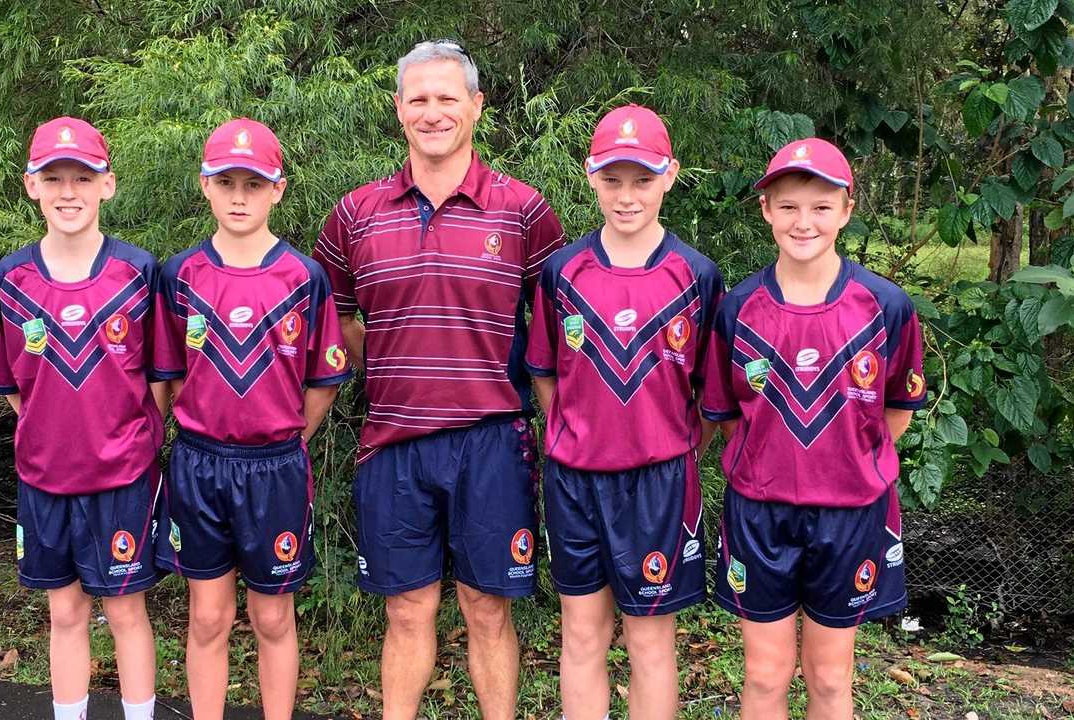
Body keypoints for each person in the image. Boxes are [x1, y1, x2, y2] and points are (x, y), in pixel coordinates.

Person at [311, 39, 564, 719]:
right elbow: (330, 308)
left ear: (476, 106)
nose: (432, 112)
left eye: (447, 97)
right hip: (393, 442)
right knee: (407, 610)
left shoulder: (524, 211)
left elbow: (560, 315)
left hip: (492, 441)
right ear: (398, 109)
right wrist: (382, 359)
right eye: (418, 99)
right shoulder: (355, 213)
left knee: (486, 610)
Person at [701, 138, 927, 720]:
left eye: (821, 207)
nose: (805, 222)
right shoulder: (738, 308)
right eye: (790, 206)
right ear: (766, 210)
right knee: (764, 675)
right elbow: (730, 419)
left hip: (850, 514)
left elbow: (895, 409)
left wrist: (843, 462)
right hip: (760, 515)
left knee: (830, 679)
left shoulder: (887, 305)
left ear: (847, 210)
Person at [525, 104, 723, 720]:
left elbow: (711, 400)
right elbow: (547, 377)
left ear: (670, 175)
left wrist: (662, 445)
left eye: (642, 179)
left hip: (658, 483)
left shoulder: (697, 275)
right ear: (590, 176)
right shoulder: (562, 272)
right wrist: (584, 438)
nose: (627, 195)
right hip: (576, 480)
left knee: (648, 639)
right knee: (582, 633)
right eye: (613, 179)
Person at [151, 118, 351, 720]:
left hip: (275, 468)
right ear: (205, 186)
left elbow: (321, 383)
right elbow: (171, 376)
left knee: (272, 614)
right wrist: (205, 429)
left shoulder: (302, 277)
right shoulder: (181, 275)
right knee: (208, 616)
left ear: (278, 189)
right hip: (200, 463)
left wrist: (282, 439)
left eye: (254, 184)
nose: (240, 196)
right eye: (227, 181)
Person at [0, 117, 164, 720]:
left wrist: (123, 435)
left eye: (82, 177)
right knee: (64, 612)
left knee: (125, 611)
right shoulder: (10, 279)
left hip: (122, 477)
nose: (69, 191)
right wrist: (52, 430)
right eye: (54, 177)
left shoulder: (139, 272)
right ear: (31, 185)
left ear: (107, 185)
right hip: (44, 478)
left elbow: (160, 380)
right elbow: (13, 386)